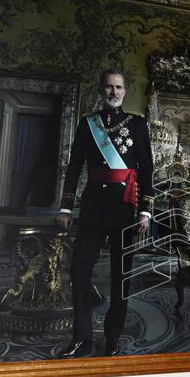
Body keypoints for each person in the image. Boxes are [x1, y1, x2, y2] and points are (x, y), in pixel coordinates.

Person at [56, 70, 154, 358]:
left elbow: (147, 170)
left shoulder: (137, 124)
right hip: (92, 208)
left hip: (125, 209)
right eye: (109, 87)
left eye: (119, 87)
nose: (114, 92)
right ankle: (81, 338)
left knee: (120, 275)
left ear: (125, 91)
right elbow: (74, 166)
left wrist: (145, 210)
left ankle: (112, 337)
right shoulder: (88, 123)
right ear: (102, 90)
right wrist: (65, 206)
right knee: (78, 270)